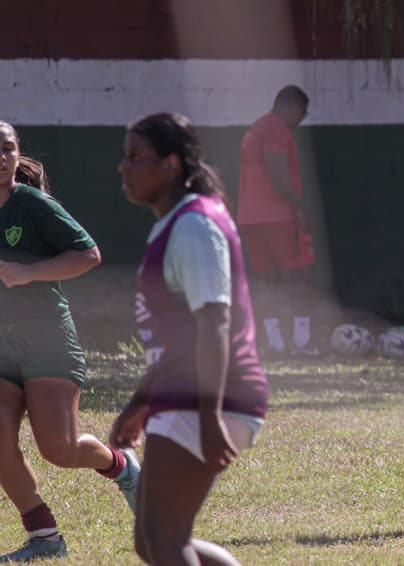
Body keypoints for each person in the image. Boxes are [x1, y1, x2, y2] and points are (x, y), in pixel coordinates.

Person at [111, 112, 269, 566]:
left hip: (207, 394)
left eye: (136, 157)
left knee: (165, 538)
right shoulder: (175, 222)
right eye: (124, 157)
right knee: (153, 539)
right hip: (184, 391)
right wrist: (140, 402)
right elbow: (174, 338)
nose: (124, 168)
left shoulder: (195, 226)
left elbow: (215, 325)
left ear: (172, 164)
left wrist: (207, 415)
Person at [0, 122, 139, 562]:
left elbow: (88, 254)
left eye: (7, 149)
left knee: (58, 449)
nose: (1, 157)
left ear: (17, 155)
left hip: (48, 344)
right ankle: (44, 536)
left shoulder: (32, 204)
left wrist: (29, 272)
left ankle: (123, 467)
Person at [237, 85, 319, 357]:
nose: (300, 121)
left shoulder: (256, 127)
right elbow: (275, 165)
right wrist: (298, 205)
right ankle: (302, 342)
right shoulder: (276, 129)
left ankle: (274, 344)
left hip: (249, 216)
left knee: (267, 279)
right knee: (302, 275)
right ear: (293, 107)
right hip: (277, 216)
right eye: (302, 114)